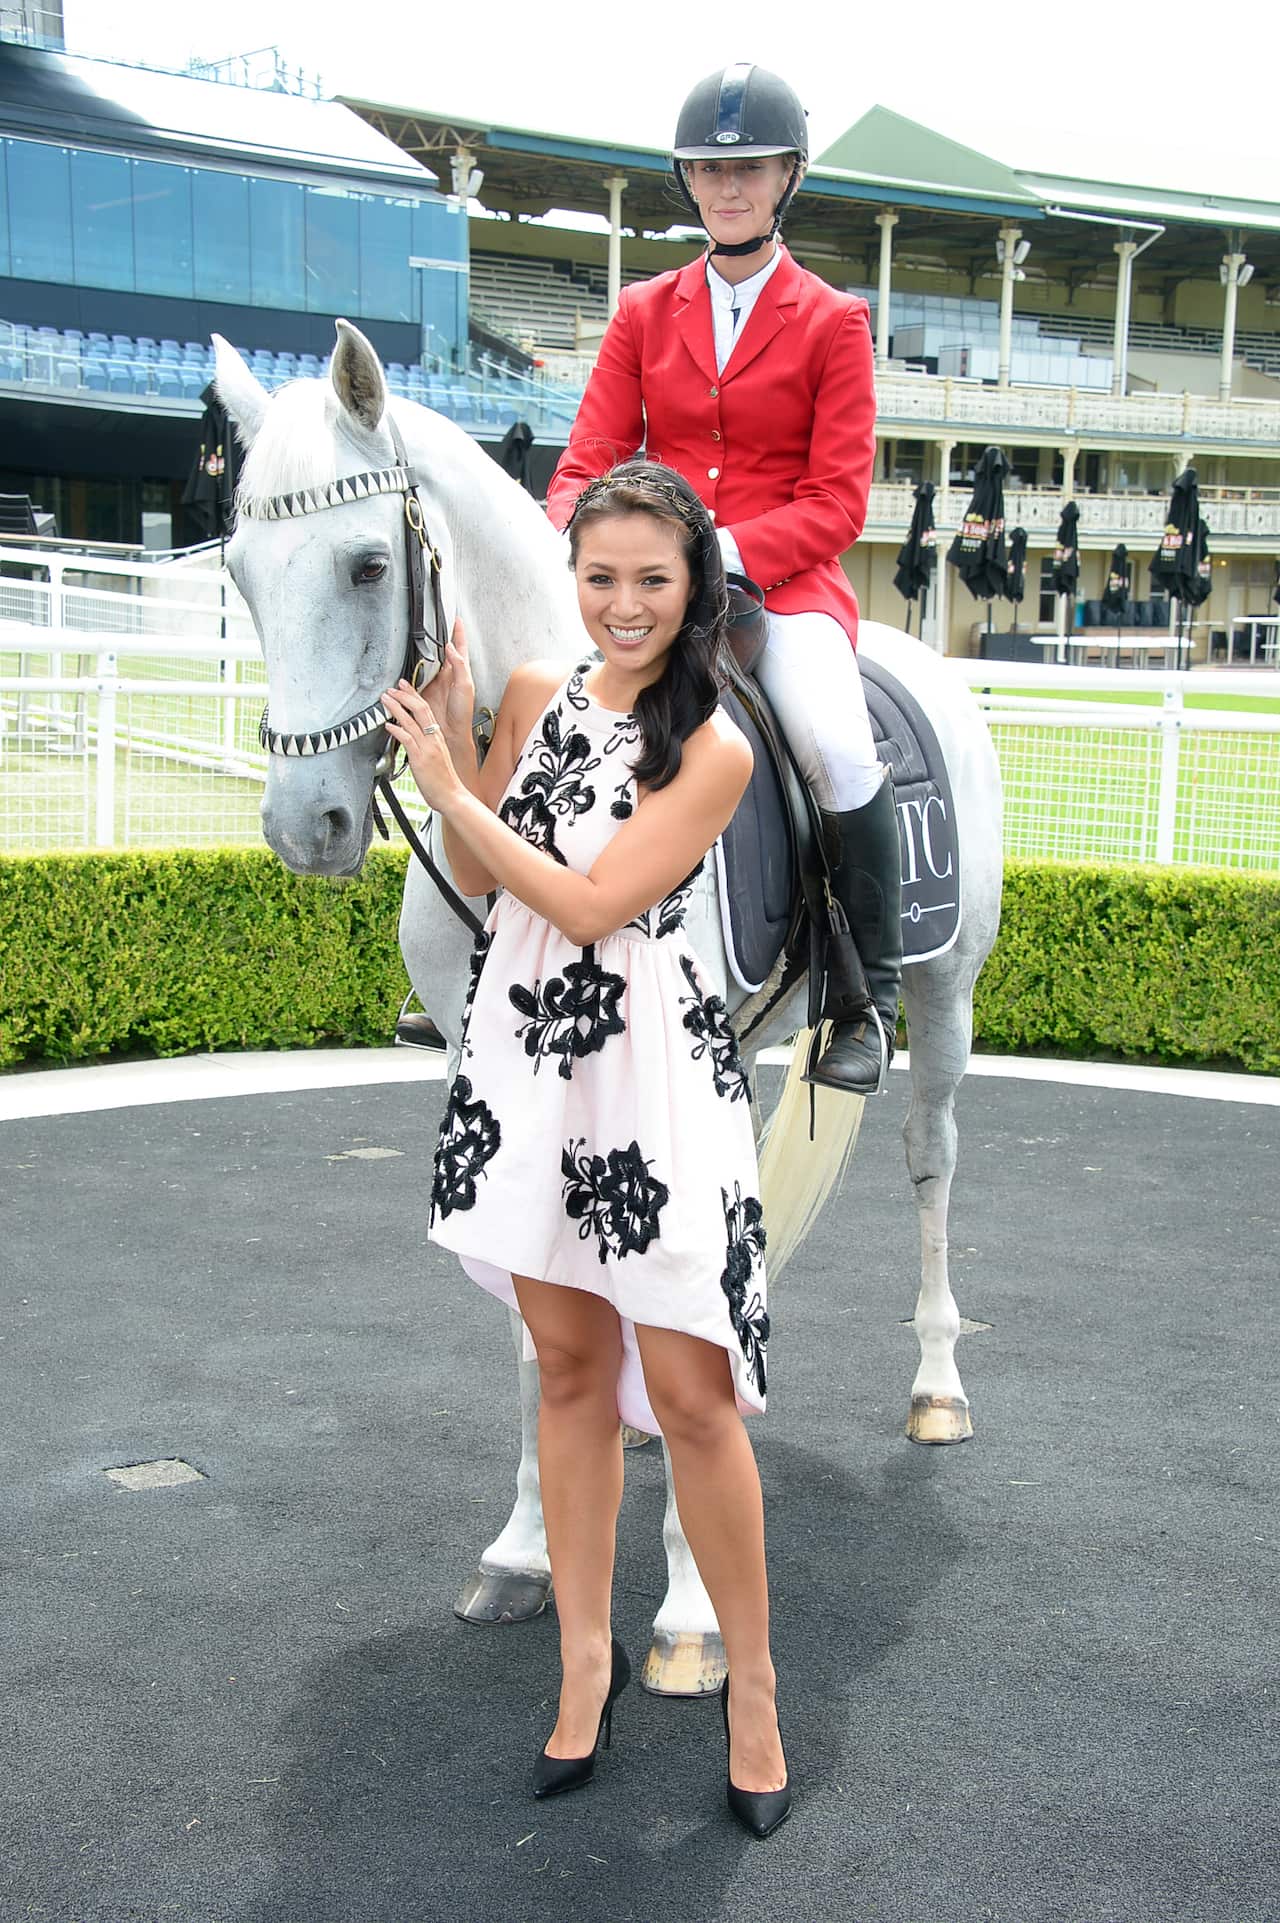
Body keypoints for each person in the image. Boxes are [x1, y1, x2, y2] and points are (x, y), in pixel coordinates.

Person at [382, 462, 792, 1838]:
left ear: (695, 587)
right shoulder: (532, 699)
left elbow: (598, 898)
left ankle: (754, 1694)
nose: (622, 604)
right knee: (563, 1366)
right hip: (526, 1064)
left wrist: (455, 781)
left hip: (648, 1080)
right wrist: (454, 742)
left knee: (689, 1393)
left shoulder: (716, 744)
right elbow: (488, 875)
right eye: (600, 575)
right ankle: (583, 1662)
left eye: (651, 580)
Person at [546, 63, 901, 1095]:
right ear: (687, 184)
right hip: (649, 588)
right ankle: (491, 928)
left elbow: (837, 502)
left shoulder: (833, 320)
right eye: (708, 169)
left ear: (785, 176)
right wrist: (579, 536)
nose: (726, 186)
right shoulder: (643, 310)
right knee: (534, 704)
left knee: (835, 744)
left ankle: (857, 1000)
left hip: (780, 591)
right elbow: (585, 460)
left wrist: (714, 552)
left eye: (746, 168)